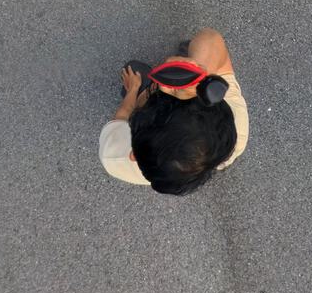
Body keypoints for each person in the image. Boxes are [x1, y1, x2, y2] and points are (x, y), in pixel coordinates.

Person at [98, 28, 249, 195]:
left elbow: (122, 115)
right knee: (207, 42)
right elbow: (211, 39)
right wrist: (200, 71)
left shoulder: (113, 156)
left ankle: (152, 88)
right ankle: (193, 63)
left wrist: (133, 89)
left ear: (134, 154)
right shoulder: (237, 133)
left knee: (139, 73)